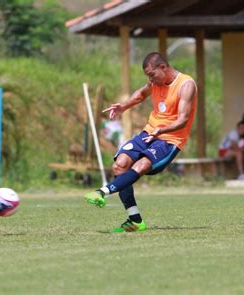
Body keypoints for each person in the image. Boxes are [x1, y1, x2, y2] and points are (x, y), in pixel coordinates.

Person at [84, 52, 197, 233]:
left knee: (142, 164)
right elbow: (141, 94)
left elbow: (183, 120)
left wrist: (162, 130)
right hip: (149, 133)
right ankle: (135, 220)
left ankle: (102, 192)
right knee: (120, 165)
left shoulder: (186, 84)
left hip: (170, 139)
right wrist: (123, 106)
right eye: (148, 76)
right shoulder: (154, 82)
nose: (150, 80)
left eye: (152, 75)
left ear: (163, 67)